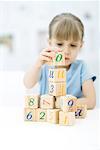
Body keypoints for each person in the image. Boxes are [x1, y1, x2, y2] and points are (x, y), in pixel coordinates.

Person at [23, 13, 96, 109]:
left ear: (80, 46)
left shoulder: (82, 67)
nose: (66, 51)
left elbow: (91, 102)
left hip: (74, 121)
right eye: (59, 44)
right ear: (50, 43)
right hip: (47, 119)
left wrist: (62, 104)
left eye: (73, 45)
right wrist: (37, 65)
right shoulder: (44, 66)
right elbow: (28, 84)